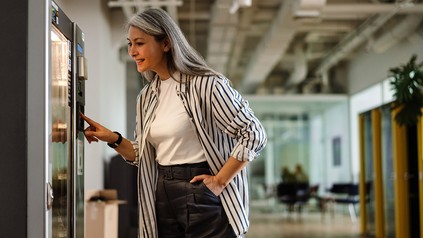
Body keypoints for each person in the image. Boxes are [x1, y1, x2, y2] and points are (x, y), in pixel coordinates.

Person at [80, 8, 267, 238]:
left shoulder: (206, 85)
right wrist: (113, 139)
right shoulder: (147, 97)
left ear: (166, 43)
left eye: (139, 43)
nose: (132, 52)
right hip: (162, 192)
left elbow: (253, 133)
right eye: (130, 44)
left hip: (201, 191)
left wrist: (219, 181)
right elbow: (144, 155)